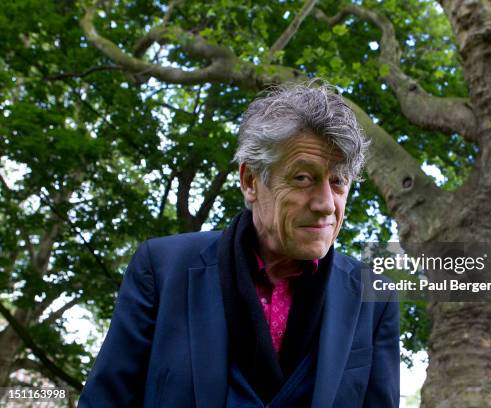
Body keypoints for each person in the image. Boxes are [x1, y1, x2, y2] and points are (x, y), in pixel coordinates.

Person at [78, 83, 400, 407]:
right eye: (303, 178)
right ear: (249, 181)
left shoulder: (374, 296)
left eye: (338, 181)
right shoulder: (161, 268)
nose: (327, 205)